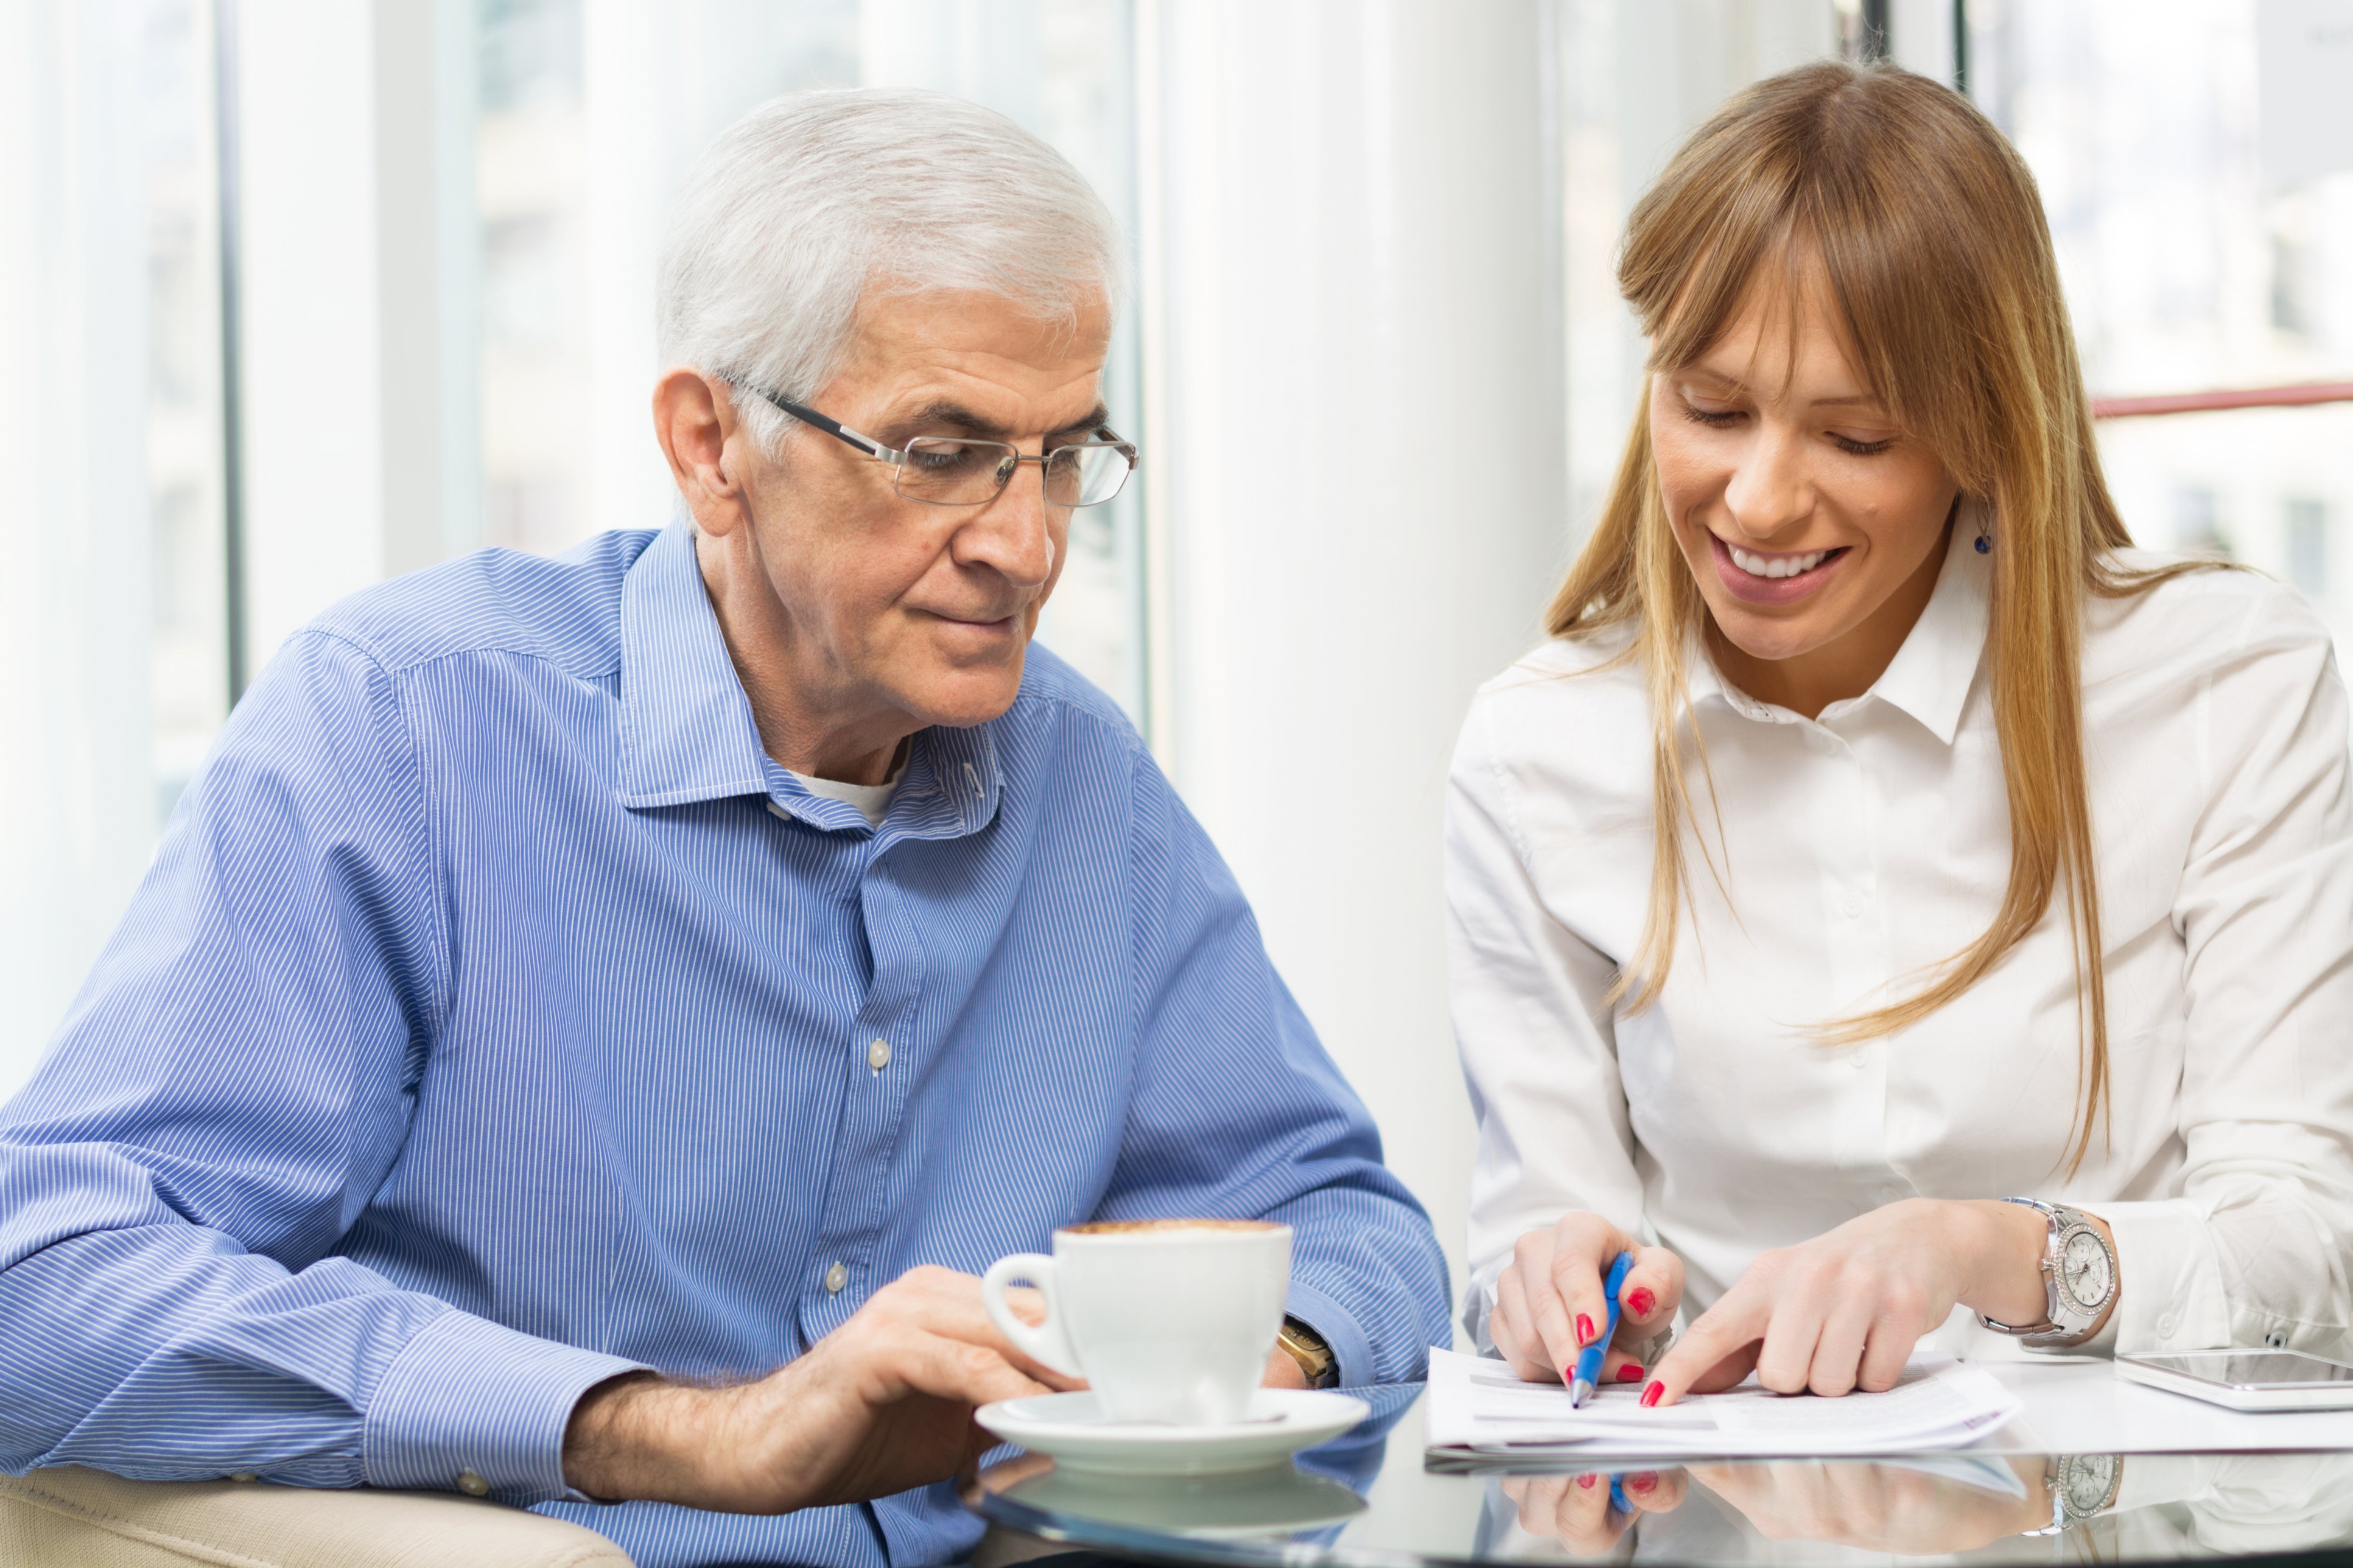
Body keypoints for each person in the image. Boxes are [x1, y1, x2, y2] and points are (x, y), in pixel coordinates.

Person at [0, 90, 1450, 1568]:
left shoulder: (1080, 776)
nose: (1028, 543)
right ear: (710, 444)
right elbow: (41, 1280)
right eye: (940, 449)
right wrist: (679, 1430)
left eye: (1061, 453)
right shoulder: (406, 727)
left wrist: (1221, 1382)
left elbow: (1348, 1224)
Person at [1447, 60, 2353, 1411]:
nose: (1756, 500)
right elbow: (1539, 1231)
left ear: (1983, 434)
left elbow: (2306, 1256)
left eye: (1854, 435)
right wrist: (1545, 1279)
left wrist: (1985, 1246)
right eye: (1709, 408)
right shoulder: (1538, 752)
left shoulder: (2226, 685)